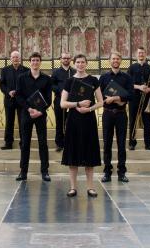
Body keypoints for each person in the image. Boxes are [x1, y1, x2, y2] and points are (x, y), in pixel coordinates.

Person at [60, 54, 103, 198]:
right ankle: (73, 187)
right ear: (74, 64)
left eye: (83, 62)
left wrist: (89, 109)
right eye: (78, 62)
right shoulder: (69, 81)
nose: (80, 64)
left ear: (86, 64)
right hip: (73, 119)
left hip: (88, 119)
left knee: (89, 153)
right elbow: (62, 103)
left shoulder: (93, 80)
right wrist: (77, 104)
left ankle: (90, 187)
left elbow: (101, 101)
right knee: (73, 153)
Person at [14, 52, 53, 182]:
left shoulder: (46, 79)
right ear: (29, 62)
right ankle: (23, 172)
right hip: (26, 113)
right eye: (33, 60)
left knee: (43, 143)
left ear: (40, 62)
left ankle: (45, 171)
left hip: (41, 115)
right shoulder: (21, 78)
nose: (35, 62)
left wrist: (40, 111)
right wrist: (29, 109)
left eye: (37, 60)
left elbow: (48, 99)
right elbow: (18, 96)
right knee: (25, 143)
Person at [99, 52, 133, 183]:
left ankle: (121, 172)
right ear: (109, 60)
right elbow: (99, 95)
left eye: (118, 58)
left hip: (121, 114)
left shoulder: (127, 77)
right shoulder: (103, 77)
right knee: (107, 143)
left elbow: (131, 95)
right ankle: (107, 171)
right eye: (113, 58)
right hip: (107, 113)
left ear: (121, 60)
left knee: (121, 144)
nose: (115, 60)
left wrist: (116, 98)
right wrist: (113, 100)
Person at [128, 47, 150, 150]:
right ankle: (132, 143)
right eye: (139, 53)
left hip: (147, 98)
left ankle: (148, 144)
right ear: (136, 55)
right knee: (133, 121)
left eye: (143, 53)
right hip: (134, 97)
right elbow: (128, 84)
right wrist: (139, 87)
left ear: (145, 54)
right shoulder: (131, 68)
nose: (141, 54)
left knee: (147, 122)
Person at [0, 51, 28, 150]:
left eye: (17, 57)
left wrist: (20, 92)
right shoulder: (5, 70)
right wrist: (8, 92)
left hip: (22, 101)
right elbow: (2, 84)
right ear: (10, 59)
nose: (15, 59)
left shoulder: (26, 70)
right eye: (13, 57)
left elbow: (27, 85)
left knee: (22, 122)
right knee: (9, 122)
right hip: (9, 100)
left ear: (20, 58)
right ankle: (8, 143)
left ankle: (23, 143)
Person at [52, 52, 75, 152]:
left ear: (70, 60)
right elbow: (52, 85)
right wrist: (60, 91)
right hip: (59, 100)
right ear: (60, 59)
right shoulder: (56, 72)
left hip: (72, 101)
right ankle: (59, 143)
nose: (66, 60)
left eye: (68, 58)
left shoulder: (74, 71)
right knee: (59, 122)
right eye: (64, 58)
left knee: (71, 122)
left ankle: (70, 142)